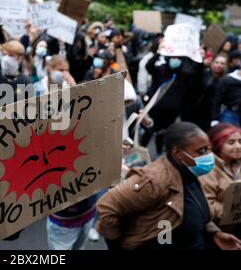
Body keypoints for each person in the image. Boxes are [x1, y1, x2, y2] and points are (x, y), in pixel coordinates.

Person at [96, 122, 241, 250]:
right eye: (202, 151)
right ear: (177, 152)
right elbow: (107, 206)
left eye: (209, 149)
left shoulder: (189, 172)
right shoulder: (154, 181)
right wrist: (116, 244)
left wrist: (214, 233)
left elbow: (194, 209)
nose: (209, 155)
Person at [200, 124, 241, 238]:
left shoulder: (237, 162)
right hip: (219, 231)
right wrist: (235, 210)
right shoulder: (207, 171)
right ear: (217, 145)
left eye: (240, 141)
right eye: (231, 142)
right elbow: (207, 206)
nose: (238, 146)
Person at [190, 55, 227, 131]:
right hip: (193, 110)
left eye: (222, 63)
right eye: (217, 62)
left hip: (208, 116)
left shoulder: (225, 81)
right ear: (212, 63)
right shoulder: (203, 74)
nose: (219, 65)